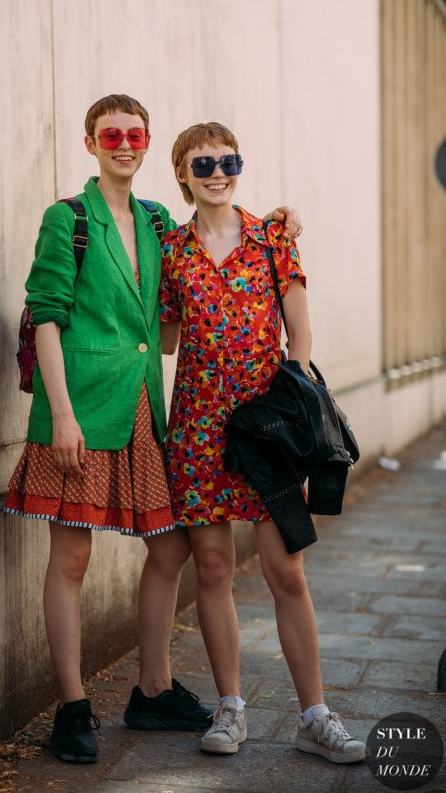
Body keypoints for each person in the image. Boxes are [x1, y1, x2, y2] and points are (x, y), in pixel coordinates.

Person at [4, 96, 301, 763]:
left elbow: (213, 227)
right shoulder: (67, 219)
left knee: (171, 551)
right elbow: (45, 314)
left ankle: (153, 690)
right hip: (78, 408)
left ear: (148, 144)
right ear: (91, 143)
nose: (125, 143)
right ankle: (73, 706)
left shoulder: (158, 222)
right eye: (112, 134)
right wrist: (62, 416)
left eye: (136, 134)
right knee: (73, 559)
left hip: (144, 408)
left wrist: (281, 222)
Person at [159, 121, 366, 763]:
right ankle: (231, 709)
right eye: (203, 164)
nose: (218, 172)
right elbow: (165, 338)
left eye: (229, 160)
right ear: (182, 175)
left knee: (287, 572)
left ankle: (315, 716)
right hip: (197, 428)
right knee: (214, 568)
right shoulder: (170, 251)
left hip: (269, 430)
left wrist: (293, 394)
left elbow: (300, 334)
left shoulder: (275, 237)